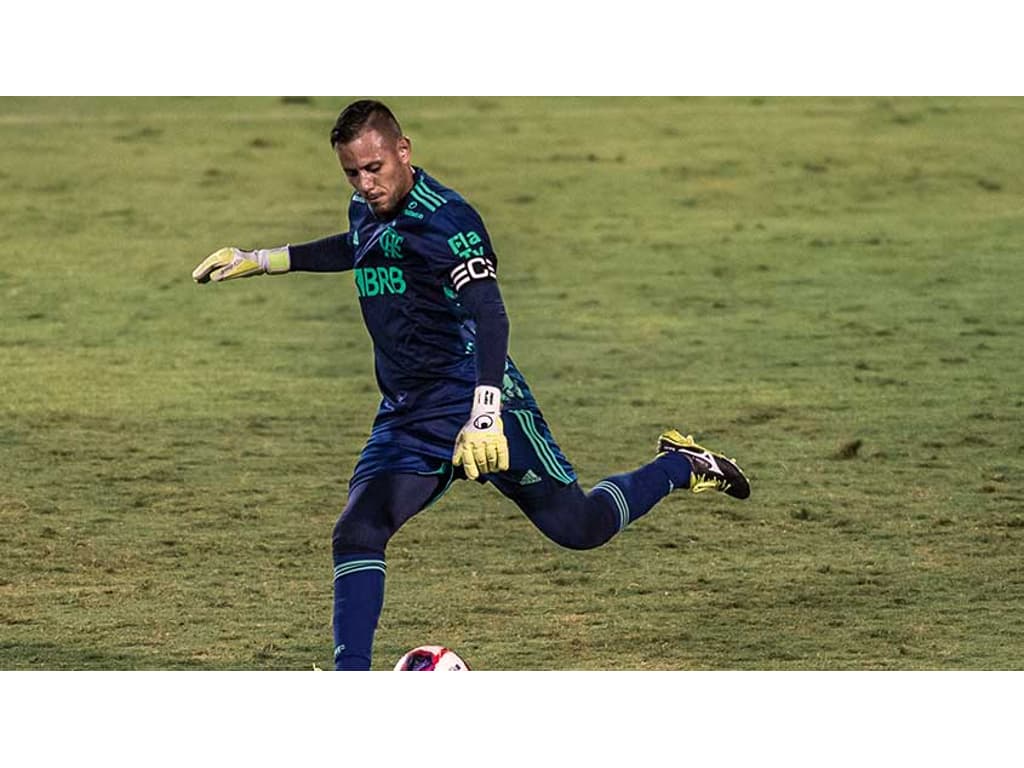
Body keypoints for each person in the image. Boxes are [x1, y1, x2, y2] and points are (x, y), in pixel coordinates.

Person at [192, 99, 750, 671]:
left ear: (403, 152)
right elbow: (357, 246)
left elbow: (491, 314)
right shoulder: (367, 208)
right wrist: (263, 259)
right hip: (409, 413)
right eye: (352, 173)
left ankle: (680, 465)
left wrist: (485, 411)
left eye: (375, 168)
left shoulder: (449, 221)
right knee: (357, 531)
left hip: (479, 396)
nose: (365, 183)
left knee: (580, 528)